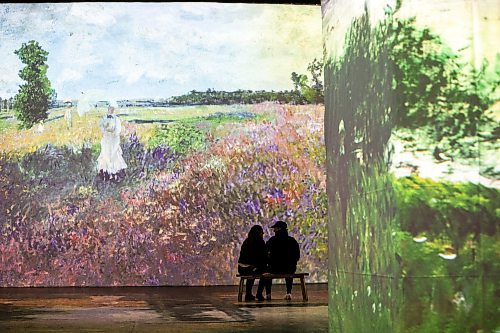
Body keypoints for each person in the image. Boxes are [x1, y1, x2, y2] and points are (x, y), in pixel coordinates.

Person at [266, 220, 300, 300]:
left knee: (267, 273)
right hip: (289, 268)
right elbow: (297, 256)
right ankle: (288, 292)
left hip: (274, 268)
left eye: (275, 228)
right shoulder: (292, 241)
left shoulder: (272, 240)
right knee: (290, 271)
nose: (274, 230)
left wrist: (269, 262)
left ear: (279, 229)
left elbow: (264, 253)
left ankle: (268, 294)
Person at [238, 225, 270, 301]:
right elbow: (263, 257)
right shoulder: (259, 242)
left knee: (254, 271)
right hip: (250, 268)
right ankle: (259, 294)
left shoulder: (247, 241)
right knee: (265, 272)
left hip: (241, 268)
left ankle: (248, 294)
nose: (263, 234)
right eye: (262, 232)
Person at [97, 105, 127, 181]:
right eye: (110, 109)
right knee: (105, 153)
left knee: (114, 154)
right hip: (106, 139)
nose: (111, 110)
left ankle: (115, 173)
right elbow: (101, 127)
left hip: (113, 139)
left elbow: (118, 130)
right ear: (108, 109)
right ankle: (105, 172)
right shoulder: (104, 118)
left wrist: (113, 132)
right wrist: (106, 130)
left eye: (112, 109)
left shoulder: (116, 119)